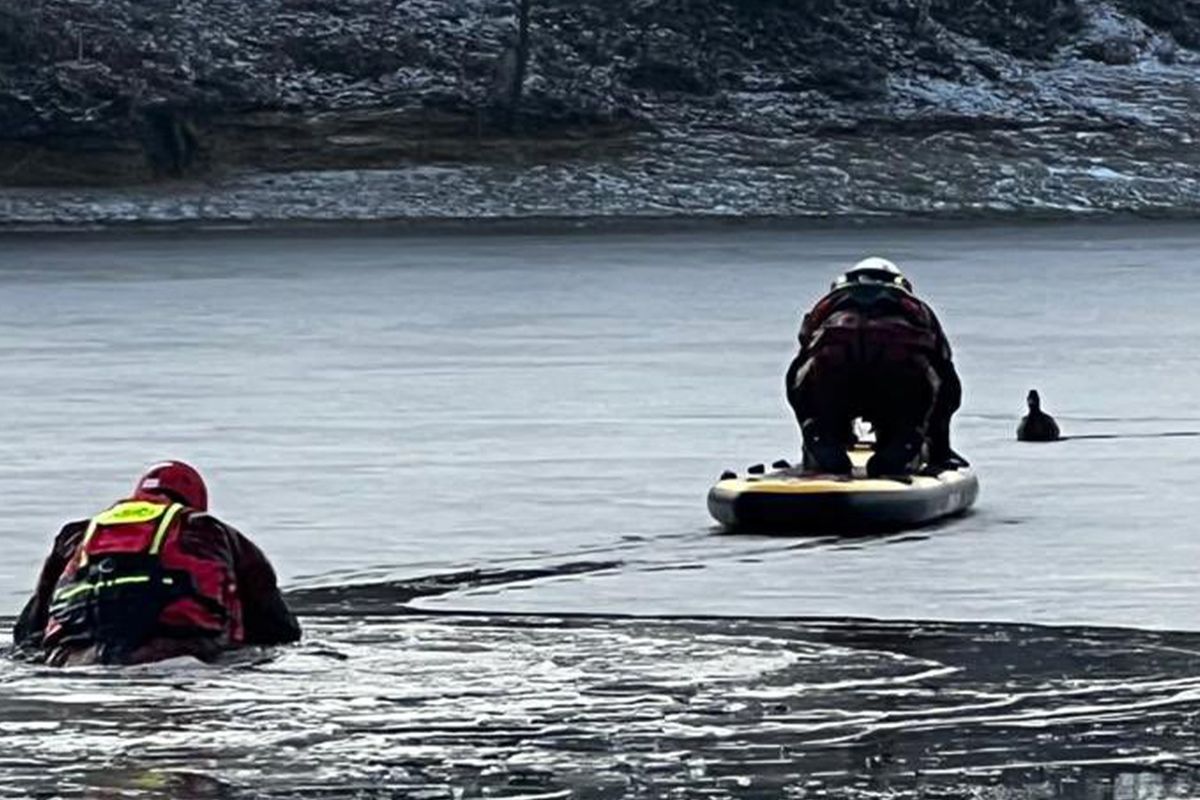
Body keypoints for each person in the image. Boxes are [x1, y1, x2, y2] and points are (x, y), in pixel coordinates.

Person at [12, 461, 301, 666]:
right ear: (195, 502)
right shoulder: (208, 529)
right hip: (176, 655)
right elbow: (280, 630)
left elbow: (27, 634)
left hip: (73, 659)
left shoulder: (76, 535)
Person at [785, 257, 964, 477]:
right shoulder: (916, 309)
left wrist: (809, 416)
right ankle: (905, 440)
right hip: (899, 378)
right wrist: (938, 446)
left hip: (833, 375)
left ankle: (821, 435)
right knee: (926, 388)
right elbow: (945, 373)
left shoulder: (825, 307)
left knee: (807, 377)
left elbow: (800, 364)